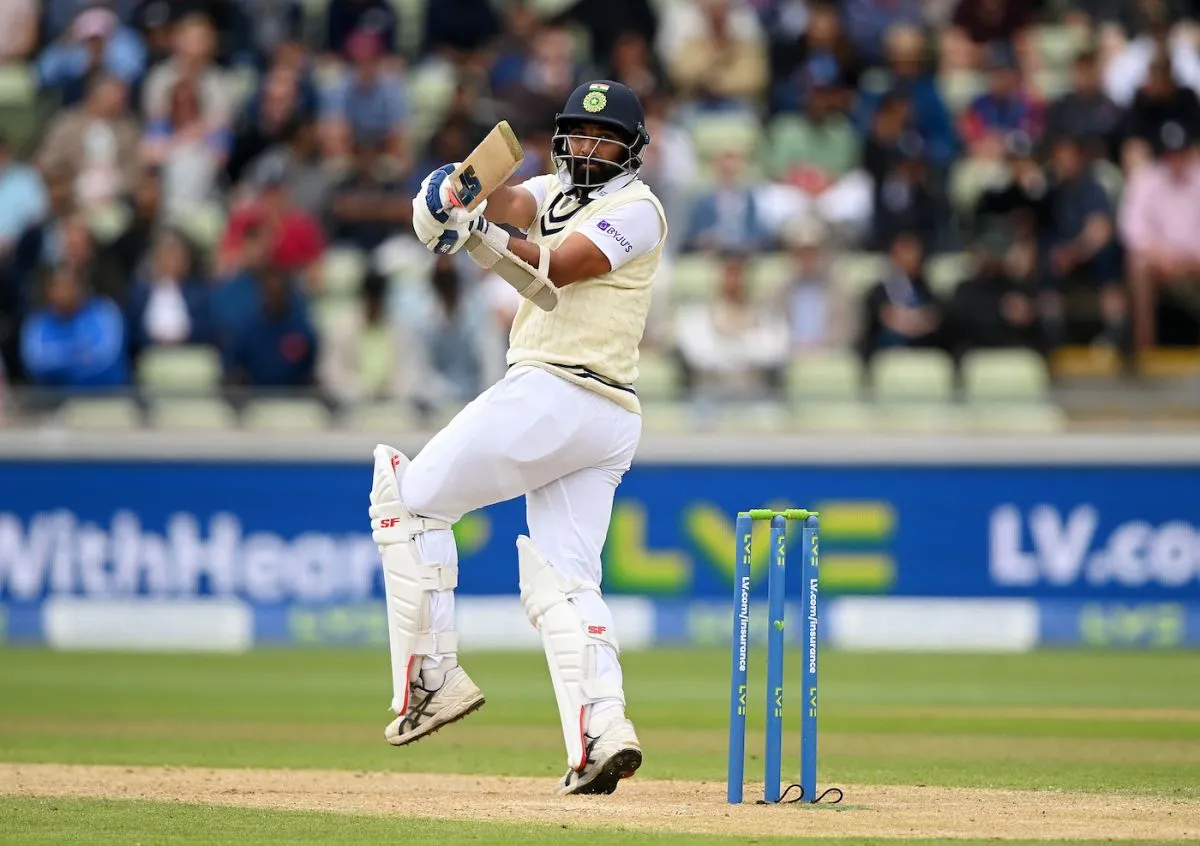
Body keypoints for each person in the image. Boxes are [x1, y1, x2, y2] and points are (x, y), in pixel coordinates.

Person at [370, 80, 666, 797]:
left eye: (604, 139)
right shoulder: (550, 190)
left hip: (564, 392)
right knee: (565, 580)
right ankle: (604, 733)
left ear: (630, 151)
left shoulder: (639, 212)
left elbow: (559, 269)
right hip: (595, 416)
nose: (587, 148)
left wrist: (472, 233)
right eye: (577, 134)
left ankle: (432, 681)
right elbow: (505, 204)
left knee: (408, 503)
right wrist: (449, 194)